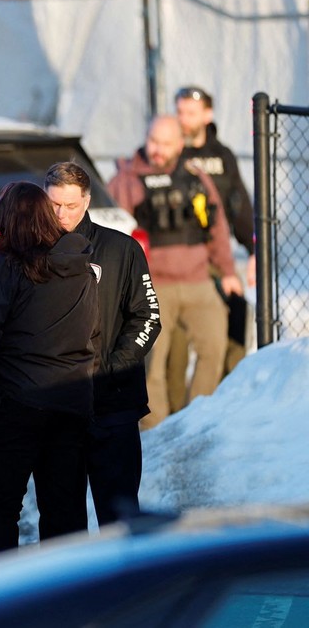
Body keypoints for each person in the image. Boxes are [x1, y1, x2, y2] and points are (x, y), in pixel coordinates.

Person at [0, 181, 99, 556]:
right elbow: (92, 330)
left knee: (2, 510)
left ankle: (3, 588)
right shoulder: (81, 268)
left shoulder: (2, 269)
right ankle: (68, 586)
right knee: (65, 511)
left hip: (18, 403)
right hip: (71, 401)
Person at [45, 162, 161, 525]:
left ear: (87, 201)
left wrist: (113, 369)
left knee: (120, 518)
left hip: (113, 406)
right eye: (54, 205)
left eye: (71, 206)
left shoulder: (120, 249)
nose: (62, 215)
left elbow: (148, 317)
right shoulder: (32, 252)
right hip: (57, 408)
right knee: (61, 523)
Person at [108, 116, 240, 429]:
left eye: (166, 144)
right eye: (154, 141)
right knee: (151, 363)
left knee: (214, 348)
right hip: (153, 286)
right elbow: (112, 233)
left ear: (180, 145)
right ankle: (157, 430)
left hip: (198, 280)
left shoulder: (194, 176)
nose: (158, 149)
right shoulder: (127, 179)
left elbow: (217, 226)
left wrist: (228, 271)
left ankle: (197, 423)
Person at [174, 86, 254, 381]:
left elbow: (240, 206)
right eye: (180, 112)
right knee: (178, 339)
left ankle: (230, 387)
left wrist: (255, 249)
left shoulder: (222, 156)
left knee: (237, 310)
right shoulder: (172, 152)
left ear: (207, 115)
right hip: (181, 255)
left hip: (217, 255)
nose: (183, 119)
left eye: (191, 113)